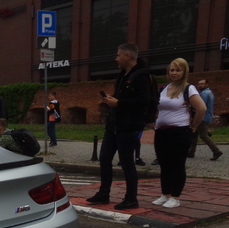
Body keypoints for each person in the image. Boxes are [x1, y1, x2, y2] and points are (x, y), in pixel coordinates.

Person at [86, 43, 152, 210]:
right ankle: (103, 193)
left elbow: (144, 101)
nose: (116, 59)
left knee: (127, 162)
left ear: (127, 56)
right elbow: (122, 99)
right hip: (114, 125)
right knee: (105, 159)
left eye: (118, 55)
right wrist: (111, 100)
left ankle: (131, 198)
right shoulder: (123, 75)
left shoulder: (141, 75)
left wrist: (119, 103)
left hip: (128, 127)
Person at [151, 58, 206, 209]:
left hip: (179, 131)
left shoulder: (189, 89)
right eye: (172, 70)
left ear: (184, 72)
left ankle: (175, 196)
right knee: (164, 164)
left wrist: (194, 126)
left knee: (177, 164)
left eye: (178, 70)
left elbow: (202, 109)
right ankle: (165, 194)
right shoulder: (163, 88)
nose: (174, 73)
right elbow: (157, 107)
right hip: (162, 131)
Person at [188, 79, 222, 161]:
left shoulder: (204, 94)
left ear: (207, 84)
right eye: (199, 84)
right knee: (194, 134)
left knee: (203, 135)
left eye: (202, 84)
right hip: (206, 116)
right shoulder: (209, 93)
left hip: (202, 117)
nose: (199, 85)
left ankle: (216, 151)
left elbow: (199, 107)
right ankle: (191, 152)